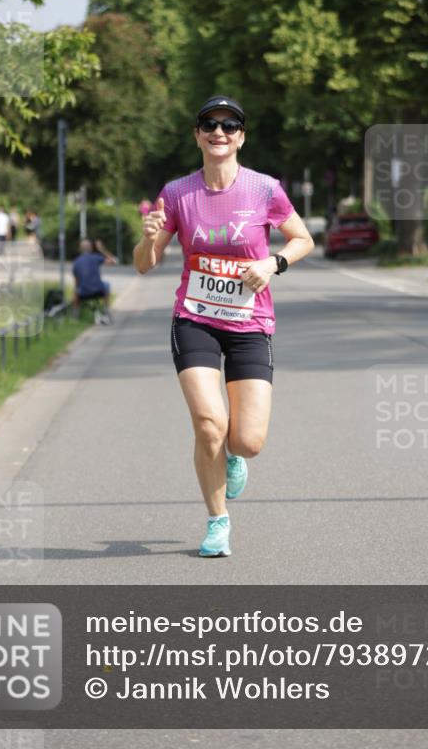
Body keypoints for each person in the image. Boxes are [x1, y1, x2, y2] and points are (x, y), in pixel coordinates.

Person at [133, 95, 314, 557]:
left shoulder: (264, 189)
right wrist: (150, 238)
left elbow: (302, 239)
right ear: (197, 134)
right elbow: (143, 266)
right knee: (209, 423)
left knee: (247, 441)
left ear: (241, 137)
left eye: (229, 125)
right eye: (209, 124)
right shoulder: (176, 194)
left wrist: (273, 264)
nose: (219, 132)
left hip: (249, 321)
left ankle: (233, 456)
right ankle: (217, 522)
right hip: (194, 318)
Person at [72, 238, 118, 322]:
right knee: (106, 285)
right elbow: (114, 261)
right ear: (91, 248)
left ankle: (75, 316)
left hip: (83, 293)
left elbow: (76, 282)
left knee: (76, 290)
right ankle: (107, 310)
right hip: (98, 291)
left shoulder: (76, 262)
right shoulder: (96, 257)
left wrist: (75, 295)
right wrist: (101, 249)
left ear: (80, 249)